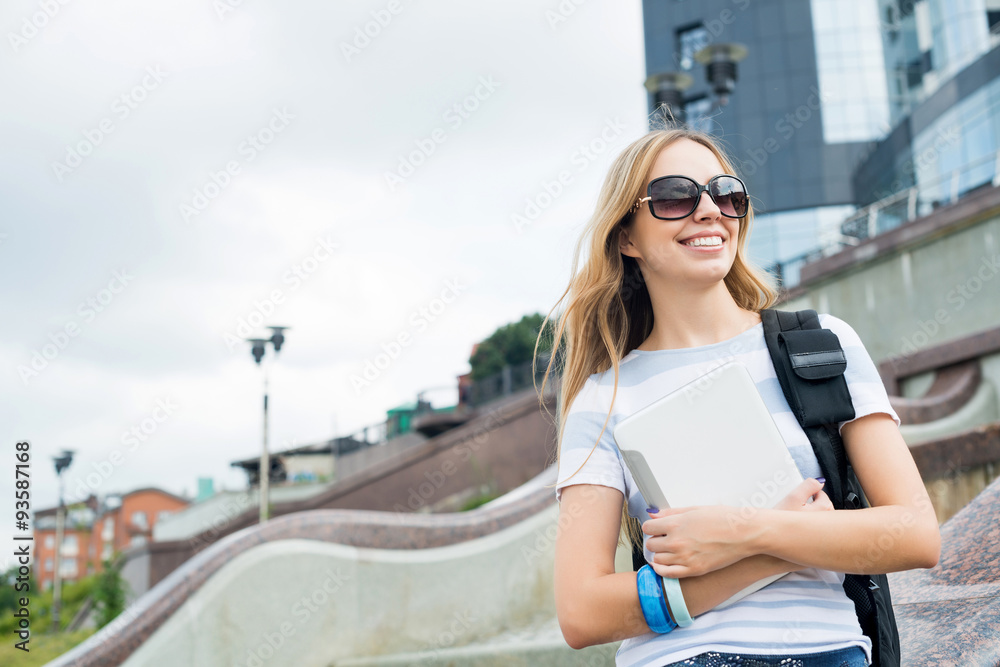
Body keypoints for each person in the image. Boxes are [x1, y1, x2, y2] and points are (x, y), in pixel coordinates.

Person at [534, 126, 941, 667]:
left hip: (827, 651)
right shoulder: (603, 397)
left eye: (726, 194)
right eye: (675, 197)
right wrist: (767, 554)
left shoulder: (822, 345)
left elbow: (915, 534)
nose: (709, 210)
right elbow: (582, 612)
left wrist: (741, 531)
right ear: (626, 237)